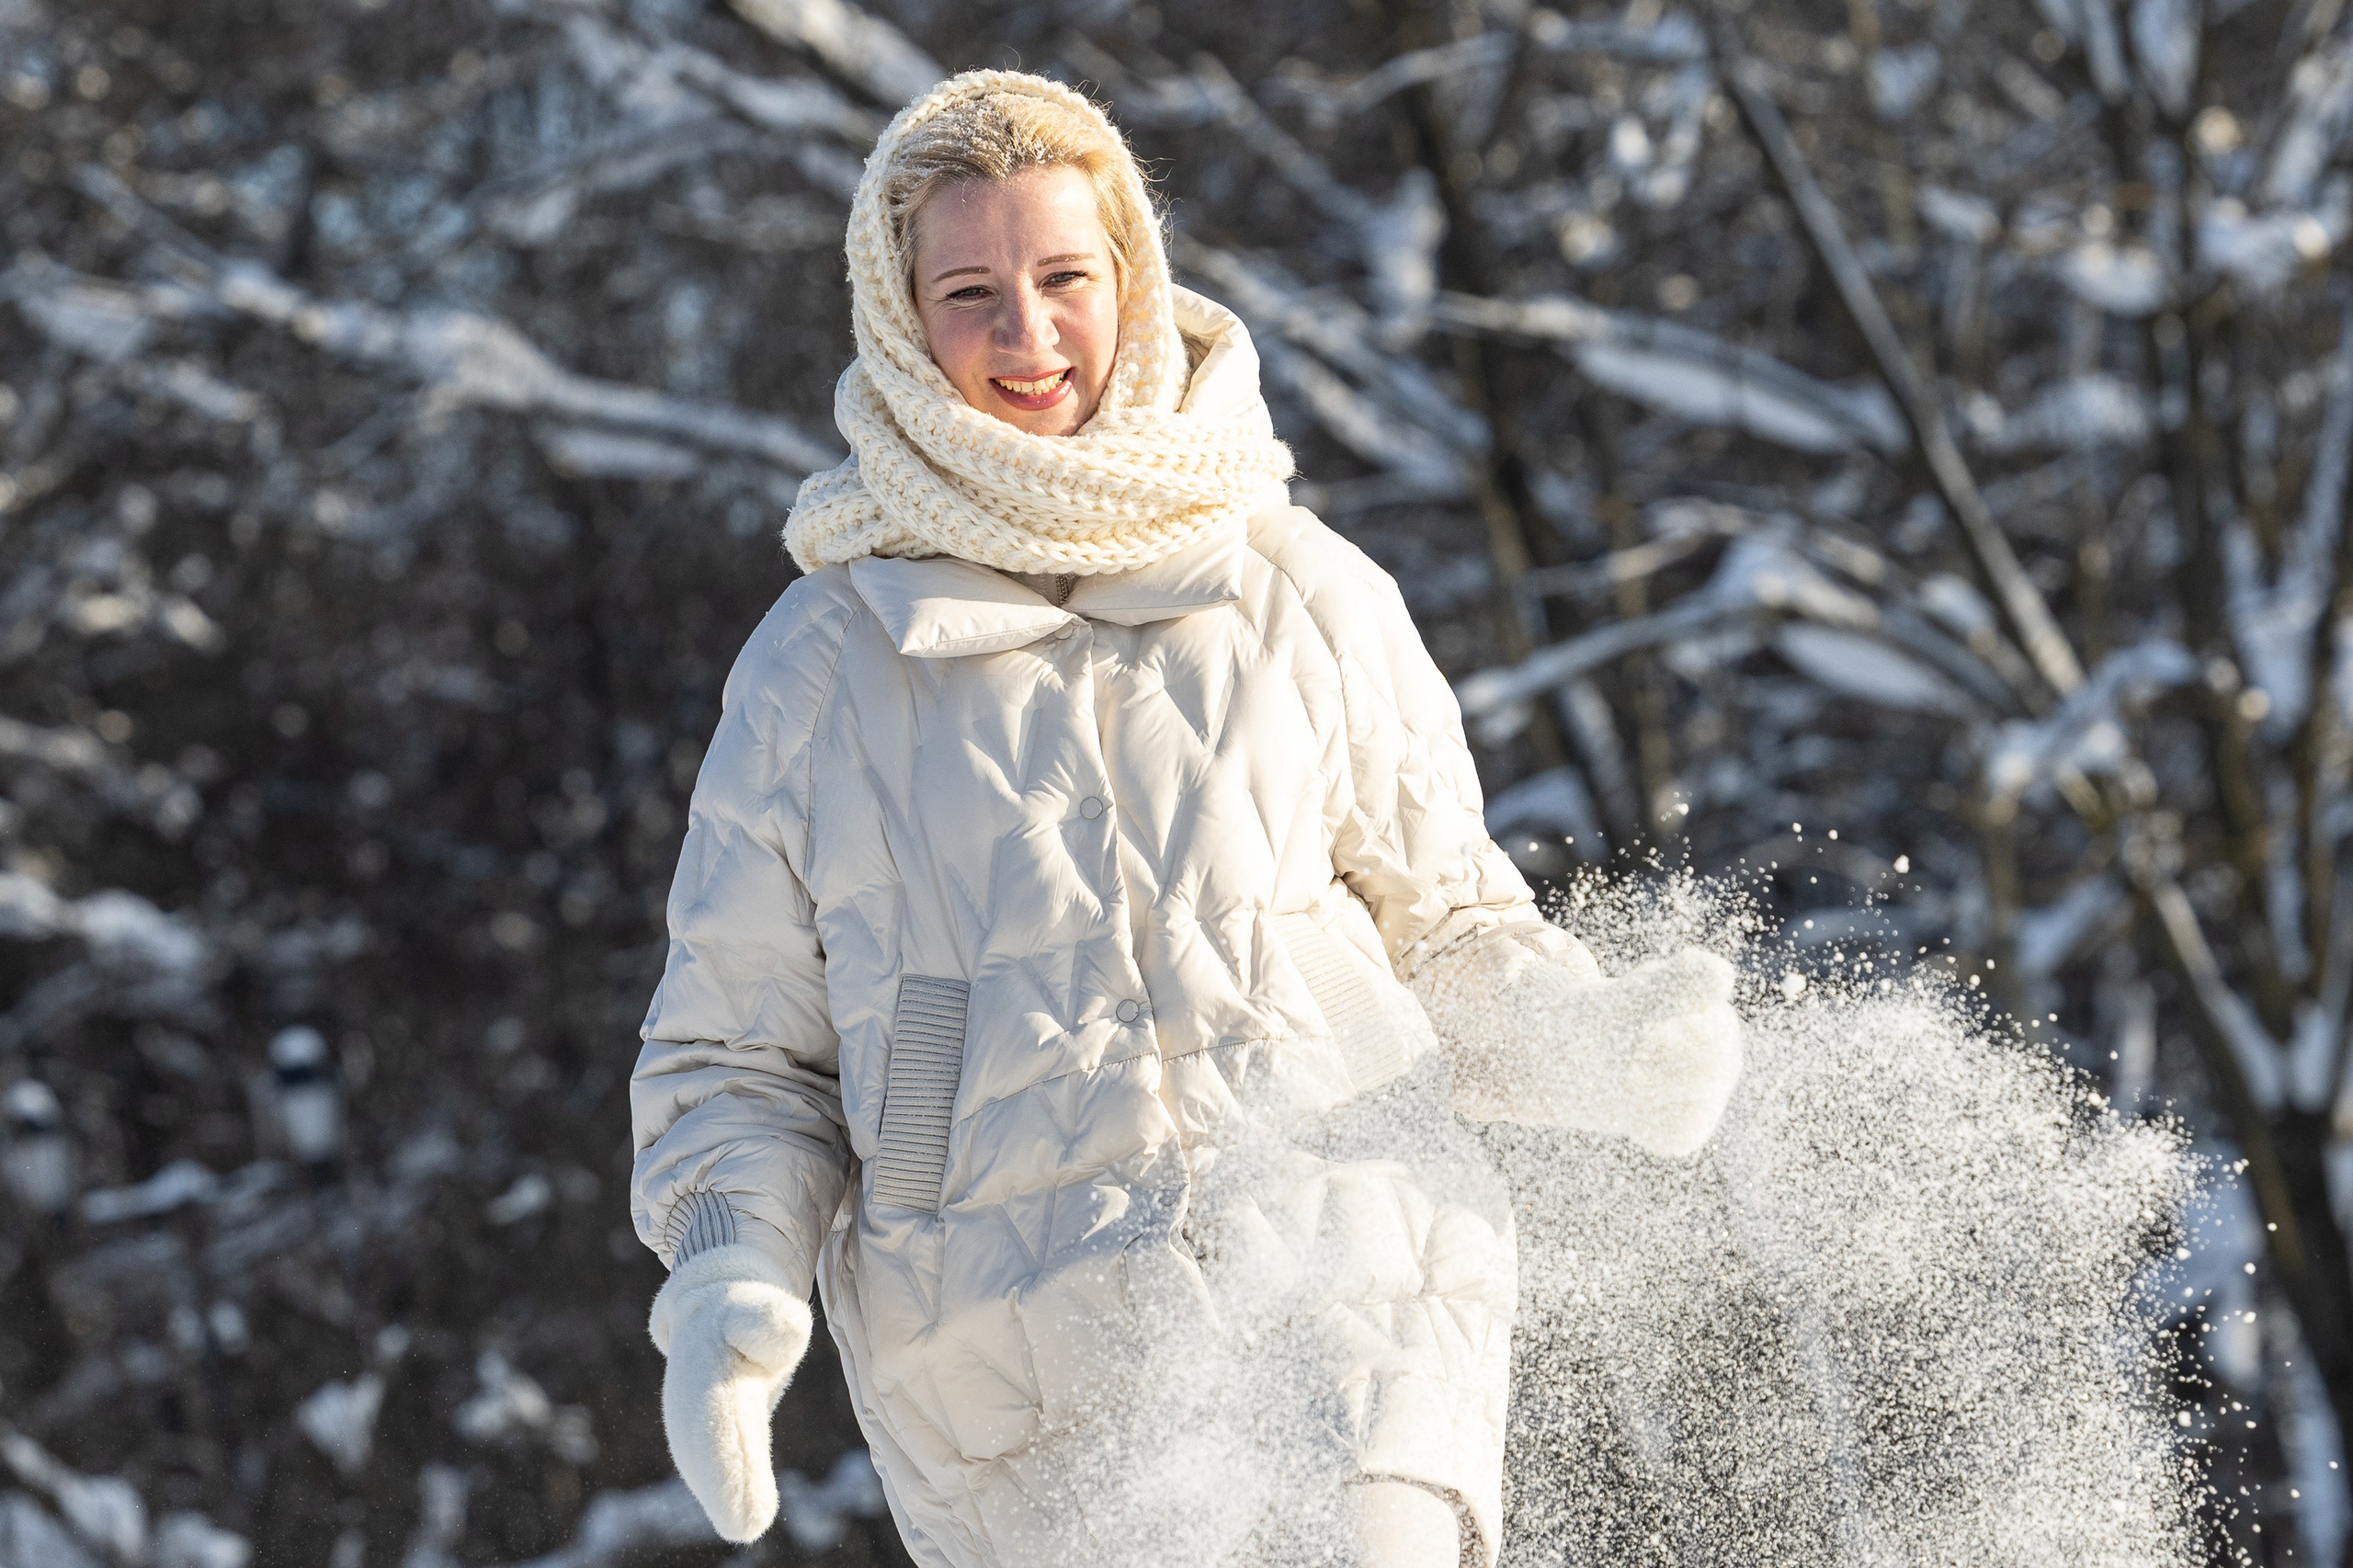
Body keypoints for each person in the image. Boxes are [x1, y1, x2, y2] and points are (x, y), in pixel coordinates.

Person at [628, 70, 1743, 1568]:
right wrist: (727, 1285)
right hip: (1014, 1395)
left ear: (1131, 279)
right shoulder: (818, 673)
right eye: (972, 292)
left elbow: (1457, 931)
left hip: (1357, 1295)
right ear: (900, 319)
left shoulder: (1300, 590)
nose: (1028, 334)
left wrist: (1601, 1045)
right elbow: (737, 1058)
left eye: (1063, 276)